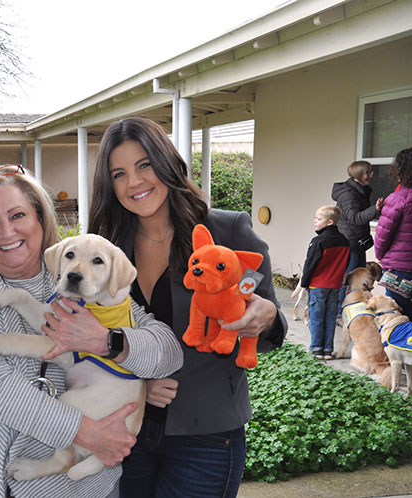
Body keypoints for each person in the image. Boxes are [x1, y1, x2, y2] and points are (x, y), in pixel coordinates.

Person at [0, 165, 184, 498]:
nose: (7, 232)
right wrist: (90, 433)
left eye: (18, 215)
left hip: (85, 488)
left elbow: (167, 351)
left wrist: (110, 346)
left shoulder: (91, 287)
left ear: (41, 221)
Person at [87, 116, 287, 498]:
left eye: (144, 165)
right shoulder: (106, 248)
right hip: (125, 430)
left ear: (166, 163)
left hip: (206, 437)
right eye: (119, 174)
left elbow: (269, 331)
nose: (135, 183)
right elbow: (93, 337)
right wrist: (138, 380)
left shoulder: (227, 232)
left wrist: (266, 318)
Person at [299, 205, 350, 359]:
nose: (315, 221)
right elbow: (345, 263)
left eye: (318, 219)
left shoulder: (318, 241)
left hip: (318, 285)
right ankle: (328, 350)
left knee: (316, 317)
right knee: (330, 318)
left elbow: (310, 264)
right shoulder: (345, 241)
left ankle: (316, 349)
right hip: (335, 286)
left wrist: (304, 283)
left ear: (330, 222)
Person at [332, 160, 384, 311]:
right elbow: (355, 218)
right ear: (358, 174)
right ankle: (340, 311)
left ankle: (351, 307)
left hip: (357, 241)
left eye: (370, 172)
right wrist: (375, 209)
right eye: (367, 173)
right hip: (350, 242)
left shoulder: (360, 190)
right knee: (348, 278)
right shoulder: (349, 194)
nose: (370, 176)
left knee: (357, 277)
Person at [374, 147, 412, 318]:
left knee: (399, 315)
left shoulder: (397, 199)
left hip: (400, 269)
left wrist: (380, 255)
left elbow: (383, 235)